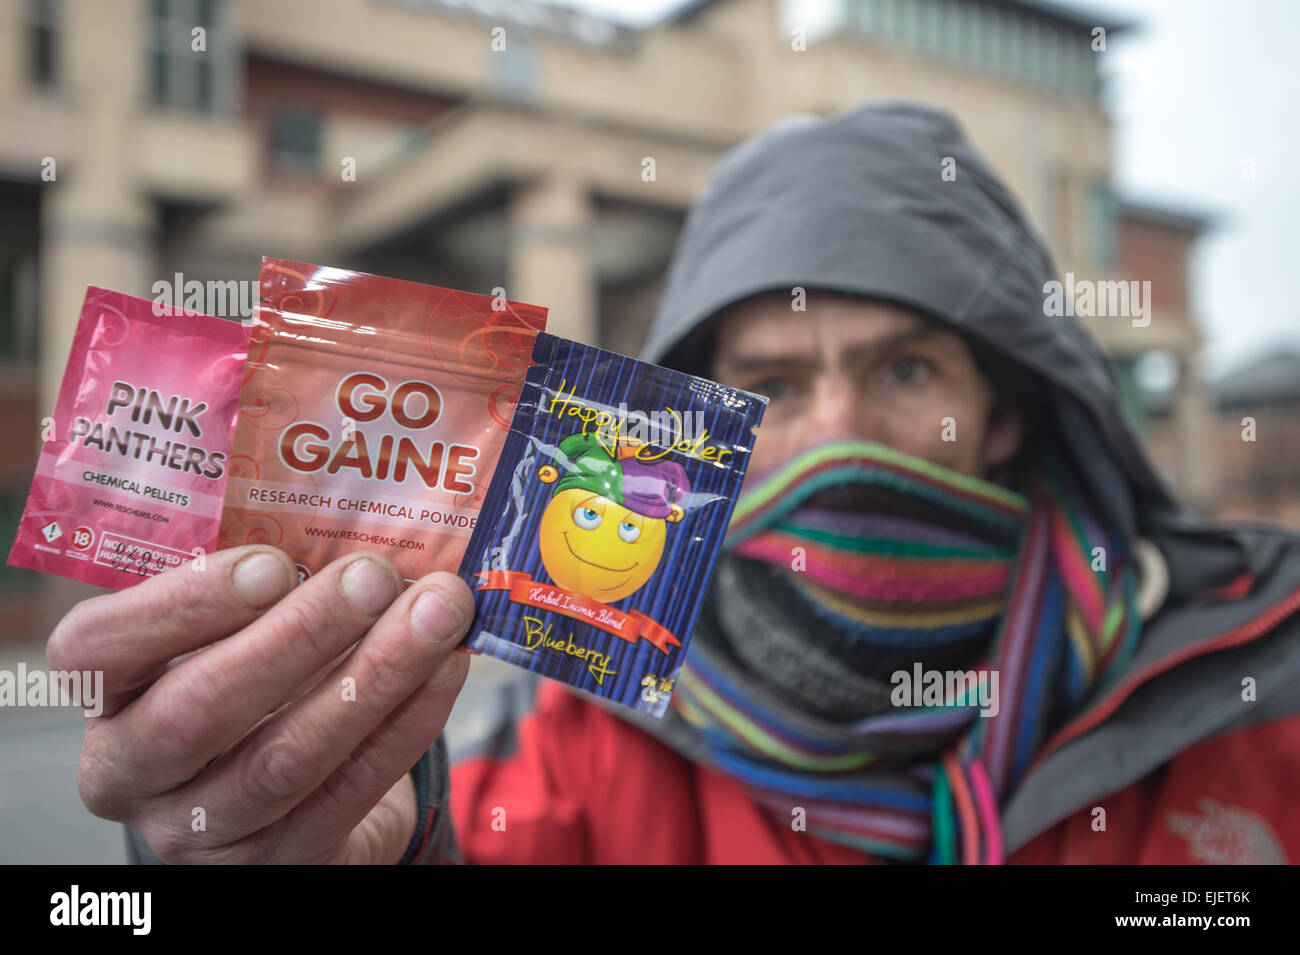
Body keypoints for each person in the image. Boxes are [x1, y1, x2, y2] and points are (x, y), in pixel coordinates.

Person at [53, 102, 1298, 865]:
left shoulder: (1257, 694)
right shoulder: (564, 738)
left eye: (905, 366)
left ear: (1012, 411)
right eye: (775, 381)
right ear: (700, 424)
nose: (839, 435)